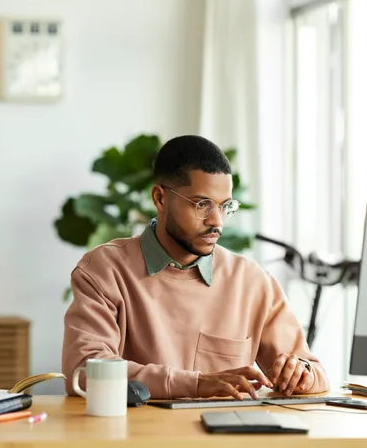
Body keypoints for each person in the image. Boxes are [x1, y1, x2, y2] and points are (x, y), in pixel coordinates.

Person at [62, 135, 329, 400]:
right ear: (160, 198)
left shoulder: (252, 281)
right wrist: (197, 384)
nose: (217, 222)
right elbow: (84, 372)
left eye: (225, 207)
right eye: (202, 205)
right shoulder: (105, 270)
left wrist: (301, 374)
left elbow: (315, 373)